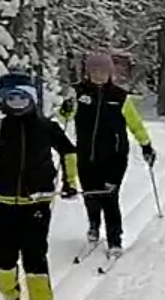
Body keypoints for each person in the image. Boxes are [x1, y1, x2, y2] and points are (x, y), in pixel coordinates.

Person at [0, 72, 82, 300]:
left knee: (35, 259)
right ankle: (11, 299)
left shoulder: (46, 127)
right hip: (1, 204)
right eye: (11, 97)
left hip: (37, 203)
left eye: (22, 96)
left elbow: (68, 152)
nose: (17, 102)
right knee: (4, 260)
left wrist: (70, 181)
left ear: (32, 98)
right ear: (4, 101)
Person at [59, 50, 156, 260]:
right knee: (91, 196)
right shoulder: (78, 92)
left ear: (109, 72)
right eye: (94, 70)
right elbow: (64, 115)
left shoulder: (119, 97)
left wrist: (146, 145)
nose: (98, 74)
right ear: (87, 72)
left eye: (102, 70)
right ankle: (93, 226)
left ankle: (114, 239)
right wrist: (66, 108)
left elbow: (135, 124)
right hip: (86, 155)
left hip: (114, 157)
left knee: (110, 199)